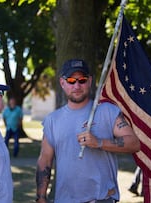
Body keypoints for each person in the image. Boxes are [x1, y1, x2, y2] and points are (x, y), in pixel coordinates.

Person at [35, 59, 140, 203]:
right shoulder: (52, 120)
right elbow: (45, 160)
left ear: (90, 81)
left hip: (102, 199)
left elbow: (134, 143)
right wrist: (41, 197)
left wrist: (99, 142)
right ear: (62, 83)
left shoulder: (107, 111)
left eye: (82, 80)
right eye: (71, 80)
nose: (77, 85)